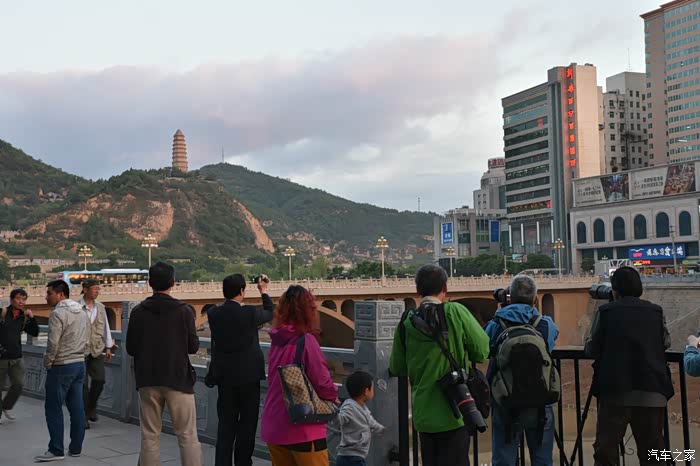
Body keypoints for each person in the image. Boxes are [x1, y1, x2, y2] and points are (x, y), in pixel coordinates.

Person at [389, 264, 490, 466]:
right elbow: (482, 351)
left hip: (423, 416)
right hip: (455, 410)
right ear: (445, 287)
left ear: (418, 290)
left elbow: (397, 367)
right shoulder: (455, 311)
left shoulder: (407, 321)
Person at [585, 266, 673, 466]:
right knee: (654, 453)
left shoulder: (606, 312)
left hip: (615, 391)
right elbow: (665, 342)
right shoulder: (655, 311)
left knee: (606, 451)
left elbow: (592, 348)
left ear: (615, 290)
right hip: (653, 389)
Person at [126, 262, 202, 466]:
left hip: (147, 379)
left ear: (150, 283)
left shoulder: (138, 312)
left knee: (149, 435)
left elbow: (131, 348)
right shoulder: (184, 311)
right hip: (178, 378)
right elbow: (193, 347)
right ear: (173, 282)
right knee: (187, 435)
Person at [484, 275, 559, 466]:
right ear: (535, 299)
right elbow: (551, 341)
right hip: (540, 400)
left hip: (505, 400)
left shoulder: (496, 324)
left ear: (510, 298)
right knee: (542, 459)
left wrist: (503, 310)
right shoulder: (545, 324)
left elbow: (484, 347)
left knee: (504, 459)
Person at [261, 285, 339, 466]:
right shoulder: (306, 340)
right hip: (302, 426)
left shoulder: (276, 341)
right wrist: (333, 396)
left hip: (274, 424)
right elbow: (322, 381)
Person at [208, 273, 274, 466]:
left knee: (225, 426)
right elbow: (270, 312)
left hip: (224, 377)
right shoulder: (250, 313)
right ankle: (243, 462)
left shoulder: (213, 313)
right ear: (242, 291)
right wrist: (263, 291)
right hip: (248, 377)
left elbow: (229, 329)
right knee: (247, 425)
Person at [35, 280, 90, 462]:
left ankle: (56, 449)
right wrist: (82, 356)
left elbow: (53, 343)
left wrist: (48, 362)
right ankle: (76, 448)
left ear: (60, 294)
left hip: (62, 364)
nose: (46, 297)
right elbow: (87, 339)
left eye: (49, 293)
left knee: (53, 408)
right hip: (79, 364)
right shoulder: (82, 312)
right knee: (77, 408)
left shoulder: (58, 313)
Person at [79, 279, 115, 429]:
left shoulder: (100, 307)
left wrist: (108, 347)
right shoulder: (76, 307)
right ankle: (84, 417)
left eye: (98, 289)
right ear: (85, 289)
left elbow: (106, 327)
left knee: (99, 380)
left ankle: (91, 407)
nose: (97, 291)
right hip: (80, 350)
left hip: (96, 348)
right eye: (94, 289)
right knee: (82, 385)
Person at [0, 288, 39, 424]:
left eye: (24, 299)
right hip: (1, 357)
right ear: (12, 299)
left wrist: (32, 318)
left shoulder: (24, 317)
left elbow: (34, 332)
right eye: (18, 298)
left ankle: (6, 406)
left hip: (16, 357)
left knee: (18, 385)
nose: (21, 302)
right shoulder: (3, 312)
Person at [336, 371, 386, 466]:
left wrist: (380, 428)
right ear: (366, 391)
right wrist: (335, 414)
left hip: (357, 456)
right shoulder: (350, 407)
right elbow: (340, 418)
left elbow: (371, 421)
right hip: (349, 457)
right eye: (372, 389)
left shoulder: (363, 408)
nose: (373, 391)